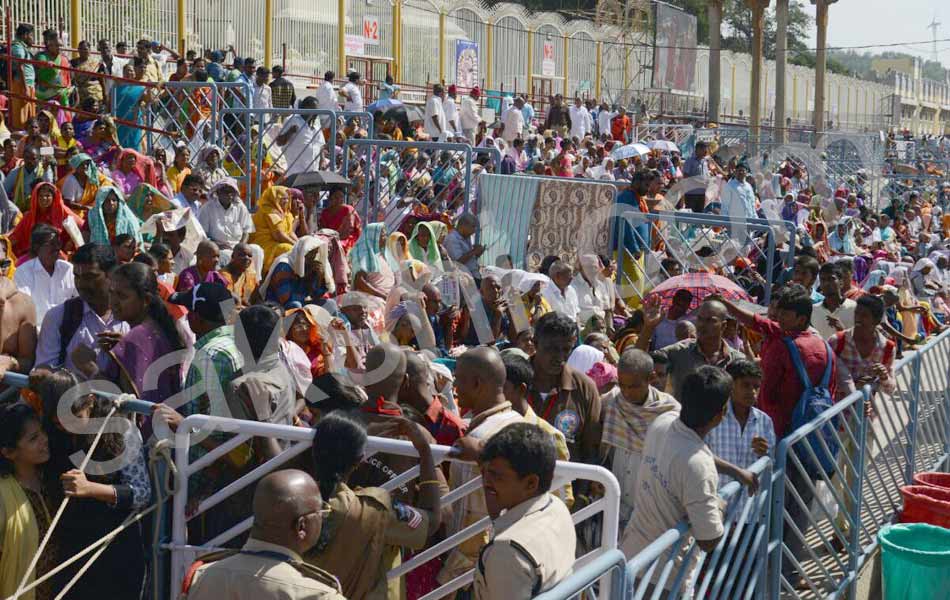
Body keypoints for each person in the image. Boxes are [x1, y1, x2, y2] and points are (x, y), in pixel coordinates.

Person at [37, 368, 149, 600]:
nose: (68, 428)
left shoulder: (121, 431)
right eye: (60, 424)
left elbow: (142, 493)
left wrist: (91, 489)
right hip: (68, 545)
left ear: (90, 401)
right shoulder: (50, 433)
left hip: (114, 548)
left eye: (75, 419)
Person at [304, 412, 443, 600]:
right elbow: (432, 521)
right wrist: (426, 454)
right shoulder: (375, 509)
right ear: (359, 460)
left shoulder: (290, 499)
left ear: (314, 451)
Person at [620, 366, 731, 594]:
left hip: (633, 558)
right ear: (720, 414)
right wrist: (719, 506)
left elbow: (691, 453)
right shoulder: (698, 466)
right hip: (664, 578)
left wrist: (737, 472)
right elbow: (708, 539)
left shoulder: (663, 422)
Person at [181, 470, 345, 599]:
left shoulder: (202, 577)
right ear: (301, 526)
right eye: (322, 513)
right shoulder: (320, 595)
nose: (323, 518)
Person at [440, 346, 525, 587]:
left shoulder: (490, 432)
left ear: (477, 384)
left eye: (458, 381)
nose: (455, 388)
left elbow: (474, 525)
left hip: (477, 570)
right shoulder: (511, 422)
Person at [72, 262, 184, 436]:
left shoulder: (135, 338)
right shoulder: (157, 329)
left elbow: (124, 402)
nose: (114, 302)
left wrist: (89, 366)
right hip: (166, 438)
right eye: (111, 293)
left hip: (145, 442)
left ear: (146, 300)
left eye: (122, 296)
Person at [472, 422, 576, 599]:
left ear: (531, 483)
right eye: (484, 473)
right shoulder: (556, 507)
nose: (486, 482)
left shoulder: (507, 553)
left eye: (496, 476)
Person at [599, 348, 680, 527]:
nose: (627, 392)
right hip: (616, 504)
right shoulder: (612, 402)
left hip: (651, 508)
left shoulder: (670, 411)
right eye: (622, 385)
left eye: (634, 386)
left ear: (651, 378)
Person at [35, 243, 128, 372]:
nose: (81, 284)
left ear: (111, 275)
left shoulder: (132, 317)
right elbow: (44, 369)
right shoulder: (59, 317)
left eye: (90, 277)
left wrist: (128, 349)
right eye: (76, 276)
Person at [528, 312, 602, 465]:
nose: (559, 357)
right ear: (535, 343)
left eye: (566, 349)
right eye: (551, 349)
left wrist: (583, 489)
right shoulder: (513, 382)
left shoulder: (585, 388)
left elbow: (590, 450)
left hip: (566, 485)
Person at [637, 297, 743, 399]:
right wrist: (648, 328)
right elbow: (638, 361)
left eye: (710, 320)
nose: (702, 324)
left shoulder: (737, 360)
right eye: (700, 319)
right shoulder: (679, 352)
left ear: (723, 326)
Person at [0, 403, 53, 600]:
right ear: (9, 452)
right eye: (33, 439)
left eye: (42, 432)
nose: (45, 440)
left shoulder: (54, 479)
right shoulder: (3, 495)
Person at [704, 359, 775, 492]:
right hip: (718, 499)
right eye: (745, 385)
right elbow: (702, 456)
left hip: (749, 505)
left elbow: (770, 464)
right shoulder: (713, 418)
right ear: (731, 386)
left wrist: (764, 453)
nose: (752, 391)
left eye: (756, 387)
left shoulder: (765, 422)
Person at [14, 225, 77, 325]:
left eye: (58, 243)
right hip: (37, 330)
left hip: (67, 330)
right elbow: (24, 307)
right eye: (51, 244)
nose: (57, 248)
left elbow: (81, 298)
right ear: (37, 247)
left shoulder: (68, 269)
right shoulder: (23, 272)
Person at [261, 235, 336, 310]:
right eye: (310, 253)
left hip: (300, 304)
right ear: (302, 252)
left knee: (330, 304)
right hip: (278, 307)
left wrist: (319, 277)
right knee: (296, 305)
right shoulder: (284, 266)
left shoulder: (310, 267)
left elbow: (317, 294)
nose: (312, 257)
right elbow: (285, 299)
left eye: (314, 253)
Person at [197, 178, 260, 267]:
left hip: (238, 246)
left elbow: (246, 231)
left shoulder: (240, 206)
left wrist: (240, 246)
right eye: (226, 192)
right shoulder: (207, 208)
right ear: (218, 192)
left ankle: (254, 280)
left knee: (257, 250)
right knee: (226, 255)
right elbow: (203, 235)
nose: (229, 195)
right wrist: (217, 246)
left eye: (232, 192)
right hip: (218, 248)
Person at [250, 186, 298, 273]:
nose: (286, 201)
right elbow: (278, 235)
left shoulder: (286, 213)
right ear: (274, 198)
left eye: (287, 198)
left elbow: (290, 232)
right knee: (289, 249)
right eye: (283, 199)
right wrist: (296, 245)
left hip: (277, 242)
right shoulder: (268, 211)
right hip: (265, 243)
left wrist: (299, 243)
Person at [276, 97, 325, 176]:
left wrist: (323, 161)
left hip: (313, 171)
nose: (316, 113)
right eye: (314, 110)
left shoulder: (316, 124)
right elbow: (279, 142)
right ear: (304, 108)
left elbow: (321, 145)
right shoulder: (292, 120)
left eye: (317, 110)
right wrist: (290, 132)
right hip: (295, 172)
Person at [812, 261, 857, 339]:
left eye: (831, 279)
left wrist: (842, 331)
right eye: (823, 280)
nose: (826, 283)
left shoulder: (854, 308)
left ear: (841, 282)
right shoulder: (813, 310)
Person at [4, 146, 54, 214]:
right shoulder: (15, 172)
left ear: (39, 159)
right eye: (27, 158)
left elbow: (50, 189)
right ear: (23, 158)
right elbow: (4, 193)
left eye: (33, 159)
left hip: (39, 211)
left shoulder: (45, 170)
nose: (30, 161)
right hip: (18, 212)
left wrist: (46, 171)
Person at [317, 186, 362, 252]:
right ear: (330, 198)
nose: (339, 199)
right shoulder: (325, 212)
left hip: (347, 239)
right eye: (336, 197)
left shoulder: (348, 209)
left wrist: (335, 240)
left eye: (341, 197)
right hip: (330, 238)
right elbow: (322, 229)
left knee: (338, 246)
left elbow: (348, 231)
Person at [10, 24, 37, 130]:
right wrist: (25, 88)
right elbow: (20, 65)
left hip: (28, 84)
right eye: (31, 35)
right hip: (22, 85)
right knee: (21, 115)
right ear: (25, 35)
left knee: (30, 113)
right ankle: (20, 138)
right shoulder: (17, 46)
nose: (32, 38)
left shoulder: (23, 46)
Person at [443, 213, 483, 279]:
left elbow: (469, 257)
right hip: (463, 278)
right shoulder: (452, 239)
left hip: (472, 274)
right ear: (463, 226)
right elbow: (457, 262)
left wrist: (477, 253)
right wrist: (474, 251)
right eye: (473, 227)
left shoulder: (467, 237)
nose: (474, 230)